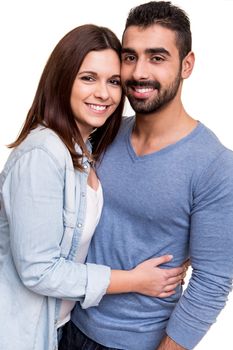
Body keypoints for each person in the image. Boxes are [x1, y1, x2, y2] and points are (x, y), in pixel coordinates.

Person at [0, 23, 188, 350]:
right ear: (62, 80)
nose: (103, 93)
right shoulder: (44, 154)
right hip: (22, 334)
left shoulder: (84, 150)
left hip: (62, 328)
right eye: (88, 78)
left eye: (113, 81)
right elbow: (38, 271)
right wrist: (135, 281)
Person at [59, 2, 233, 350]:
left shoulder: (215, 165)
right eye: (130, 56)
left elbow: (212, 282)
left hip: (138, 342)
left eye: (157, 57)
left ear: (187, 65)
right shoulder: (103, 135)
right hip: (67, 324)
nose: (139, 72)